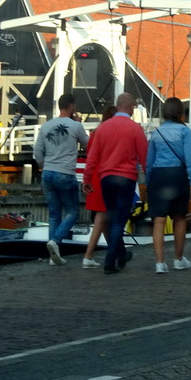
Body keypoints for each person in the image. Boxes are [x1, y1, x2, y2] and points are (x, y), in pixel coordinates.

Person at [83, 92, 147, 274]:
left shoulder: (103, 128)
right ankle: (110, 261)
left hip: (106, 178)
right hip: (126, 178)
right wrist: (147, 180)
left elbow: (92, 158)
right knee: (119, 220)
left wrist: (87, 179)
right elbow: (144, 157)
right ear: (130, 107)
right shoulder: (135, 129)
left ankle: (120, 254)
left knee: (111, 218)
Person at [146, 97, 191, 274]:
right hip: (177, 175)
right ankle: (178, 259)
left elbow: (149, 162)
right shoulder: (184, 131)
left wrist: (148, 183)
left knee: (159, 220)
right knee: (179, 217)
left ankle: (159, 263)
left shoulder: (156, 132)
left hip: (158, 176)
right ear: (181, 113)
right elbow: (190, 158)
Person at [33, 94, 89, 266]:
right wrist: (79, 124)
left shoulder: (46, 126)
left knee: (54, 214)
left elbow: (37, 152)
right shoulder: (75, 126)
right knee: (72, 212)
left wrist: (44, 166)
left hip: (48, 172)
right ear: (71, 106)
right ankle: (56, 241)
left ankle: (53, 256)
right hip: (65, 173)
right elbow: (88, 145)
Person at [80, 104, 116, 269]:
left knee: (103, 218)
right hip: (104, 177)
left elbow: (91, 156)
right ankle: (88, 255)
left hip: (93, 177)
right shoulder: (110, 134)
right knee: (102, 217)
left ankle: (114, 251)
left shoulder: (94, 134)